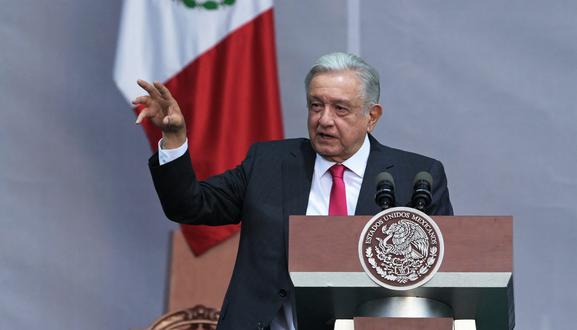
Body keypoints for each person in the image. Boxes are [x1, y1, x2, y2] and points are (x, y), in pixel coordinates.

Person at [135, 52, 453, 330]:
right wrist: (174, 139)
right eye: (316, 106)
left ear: (372, 116)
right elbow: (190, 205)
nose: (324, 120)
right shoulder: (269, 164)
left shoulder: (417, 178)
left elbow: (441, 278)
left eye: (340, 109)